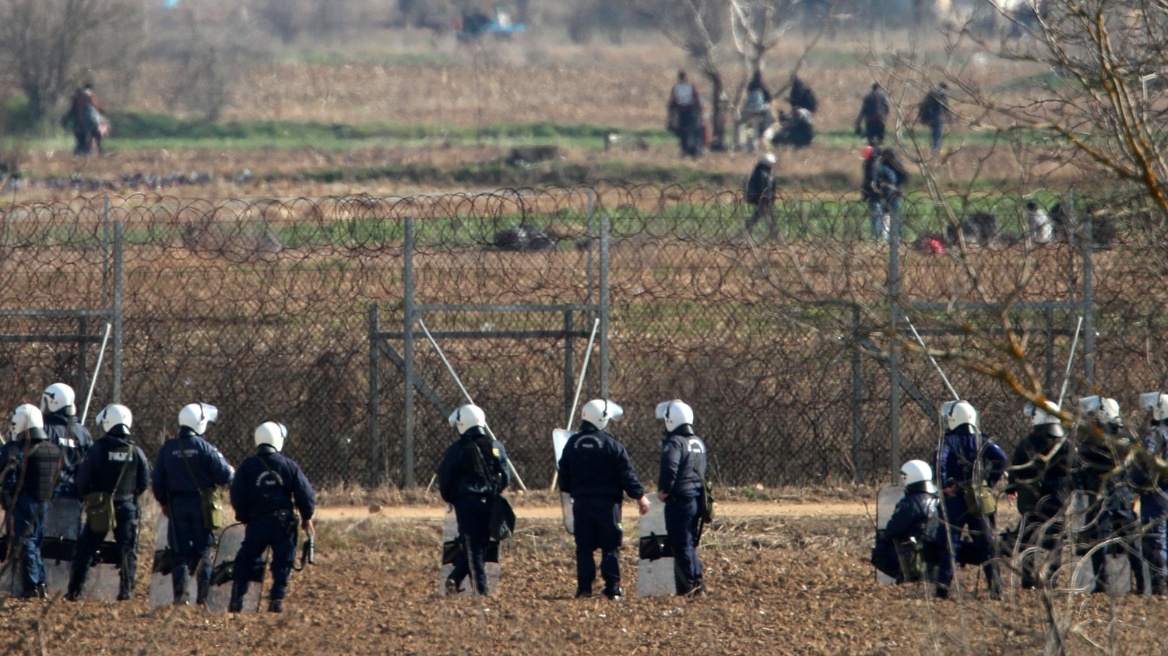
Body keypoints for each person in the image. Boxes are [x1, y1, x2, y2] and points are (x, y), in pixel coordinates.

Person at [558, 399, 650, 600]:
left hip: (581, 504)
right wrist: (639, 496)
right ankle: (613, 588)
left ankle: (584, 589)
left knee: (584, 547)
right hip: (608, 506)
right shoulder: (612, 444)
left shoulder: (571, 444)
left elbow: (563, 478)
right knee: (610, 546)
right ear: (601, 419)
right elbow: (627, 474)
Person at [151, 402, 234, 605]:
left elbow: (157, 481)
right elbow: (225, 476)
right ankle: (203, 598)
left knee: (179, 553)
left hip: (177, 506)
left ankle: (180, 597)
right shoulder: (206, 448)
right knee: (203, 551)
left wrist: (164, 503)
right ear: (199, 423)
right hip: (202, 507)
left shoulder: (167, 449)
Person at [228, 422, 316, 613]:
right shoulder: (288, 465)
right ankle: (276, 599)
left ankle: (237, 599)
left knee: (247, 559)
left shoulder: (247, 467)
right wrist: (306, 516)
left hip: (256, 523)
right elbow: (305, 494)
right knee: (283, 560)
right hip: (282, 524)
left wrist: (243, 516)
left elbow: (236, 494)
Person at [66, 404, 150, 601]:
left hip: (101, 508)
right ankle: (125, 591)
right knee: (128, 550)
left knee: (85, 549)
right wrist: (131, 496)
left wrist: (90, 497)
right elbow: (144, 481)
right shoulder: (135, 451)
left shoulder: (98, 448)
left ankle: (75, 591)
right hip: (127, 506)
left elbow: (83, 479)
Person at [933, 400, 1008, 599]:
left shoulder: (947, 441)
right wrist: (990, 481)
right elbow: (1001, 458)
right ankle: (996, 589)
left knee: (950, 543)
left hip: (955, 499)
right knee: (987, 545)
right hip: (979, 499)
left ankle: (942, 589)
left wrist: (943, 485)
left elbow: (939, 460)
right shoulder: (982, 440)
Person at [438, 404, 510, 596]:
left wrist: (452, 498)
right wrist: (495, 493)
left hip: (466, 503)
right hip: (490, 502)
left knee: (471, 545)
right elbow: (505, 476)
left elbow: (445, 480)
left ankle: (478, 588)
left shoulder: (456, 450)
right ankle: (471, 584)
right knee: (480, 544)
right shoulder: (496, 446)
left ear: (462, 423)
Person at [1074, 396, 1143, 594]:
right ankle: (1141, 583)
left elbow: (1083, 467)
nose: (1091, 420)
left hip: (1104, 497)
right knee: (1130, 541)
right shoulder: (1125, 438)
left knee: (1097, 538)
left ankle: (1103, 583)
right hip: (1122, 496)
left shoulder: (1097, 441)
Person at [1005, 401, 1070, 589]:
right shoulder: (1065, 443)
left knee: (1029, 538)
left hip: (1033, 499)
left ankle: (1028, 578)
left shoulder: (1028, 443)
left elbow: (1016, 469)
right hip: (1058, 498)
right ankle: (1052, 579)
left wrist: (1011, 487)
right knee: (1055, 539)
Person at [0, 405, 63, 598]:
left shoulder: (14, 449)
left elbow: (5, 478)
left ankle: (32, 585)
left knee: (24, 542)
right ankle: (40, 583)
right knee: (35, 543)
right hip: (44, 502)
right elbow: (58, 478)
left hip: (22, 502)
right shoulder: (53, 449)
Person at [655, 400, 708, 596]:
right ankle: (696, 579)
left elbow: (670, 467)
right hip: (695, 499)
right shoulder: (698, 442)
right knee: (690, 542)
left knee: (681, 543)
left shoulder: (675, 442)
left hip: (679, 500)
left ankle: (689, 586)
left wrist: (664, 490)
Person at [871, 459, 939, 584]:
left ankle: (905, 576)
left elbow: (893, 529)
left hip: (915, 553)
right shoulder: (936, 499)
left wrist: (884, 537)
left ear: (909, 478)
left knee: (879, 551)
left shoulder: (910, 502)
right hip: (934, 551)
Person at [1133, 393, 1168, 595]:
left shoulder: (1155, 434)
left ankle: (1159, 582)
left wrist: (1135, 482)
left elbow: (1146, 463)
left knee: (1155, 535)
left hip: (1156, 492)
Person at [40, 382, 93, 501]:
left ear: (53, 402)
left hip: (48, 495)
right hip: (75, 495)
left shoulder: (44, 428)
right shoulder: (83, 432)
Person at [668, 70, 705, 158]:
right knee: (686, 132)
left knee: (691, 132)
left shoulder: (688, 87)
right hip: (683, 112)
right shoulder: (679, 87)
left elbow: (697, 98)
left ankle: (693, 150)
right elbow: (673, 101)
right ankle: (687, 150)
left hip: (690, 112)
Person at [61, 83, 104, 156]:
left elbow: (72, 111)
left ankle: (82, 152)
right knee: (95, 137)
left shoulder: (79, 98)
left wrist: (65, 120)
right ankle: (98, 151)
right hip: (94, 123)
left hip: (80, 124)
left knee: (81, 141)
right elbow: (100, 110)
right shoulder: (93, 97)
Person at [743, 153, 778, 240]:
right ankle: (743, 236)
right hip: (762, 200)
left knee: (767, 219)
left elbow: (771, 188)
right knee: (758, 218)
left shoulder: (767, 172)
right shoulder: (761, 173)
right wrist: (762, 199)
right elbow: (762, 188)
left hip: (767, 200)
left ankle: (776, 237)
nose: (773, 164)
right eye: (772, 163)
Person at [741, 70, 773, 153]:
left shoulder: (750, 86)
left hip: (750, 112)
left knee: (750, 129)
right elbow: (769, 98)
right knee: (762, 126)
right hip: (761, 112)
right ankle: (760, 143)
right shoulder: (762, 86)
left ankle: (750, 146)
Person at [916, 82, 951, 155]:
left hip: (929, 119)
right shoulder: (942, 96)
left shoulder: (930, 94)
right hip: (938, 119)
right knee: (937, 136)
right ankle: (936, 153)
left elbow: (922, 105)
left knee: (932, 136)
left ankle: (932, 151)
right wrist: (949, 118)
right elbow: (946, 108)